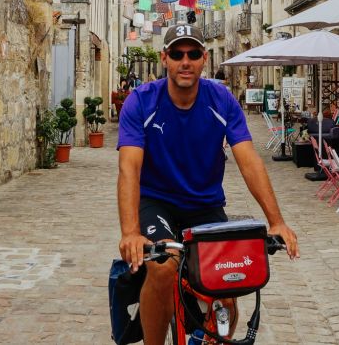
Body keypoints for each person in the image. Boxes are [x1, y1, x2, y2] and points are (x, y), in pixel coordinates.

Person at [117, 24, 300, 345]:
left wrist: (277, 222)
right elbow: (129, 168)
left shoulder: (222, 101)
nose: (184, 61)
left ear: (204, 59)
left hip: (205, 204)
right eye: (177, 54)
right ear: (165, 59)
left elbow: (249, 160)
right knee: (162, 267)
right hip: (156, 201)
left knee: (228, 284)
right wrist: (131, 232)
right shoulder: (141, 101)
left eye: (192, 54)